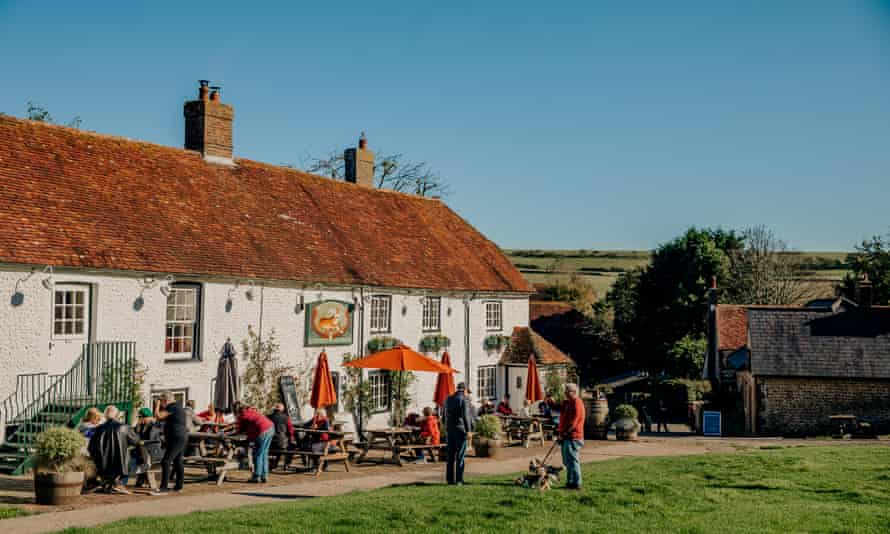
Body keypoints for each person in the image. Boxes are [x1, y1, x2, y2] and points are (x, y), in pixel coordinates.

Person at [88, 405, 142, 494]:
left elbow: (91, 447)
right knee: (135, 460)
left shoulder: (98, 429)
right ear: (117, 415)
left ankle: (108, 483)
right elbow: (136, 441)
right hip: (120, 464)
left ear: (105, 416)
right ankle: (120, 483)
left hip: (102, 464)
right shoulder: (124, 427)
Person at [153, 392, 188, 494]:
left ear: (165, 400)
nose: (162, 404)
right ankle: (179, 486)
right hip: (180, 437)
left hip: (176, 438)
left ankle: (164, 487)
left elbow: (158, 416)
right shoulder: (177, 407)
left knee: (166, 461)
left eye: (161, 401)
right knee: (178, 461)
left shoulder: (172, 407)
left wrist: (157, 405)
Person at [123, 407, 163, 488]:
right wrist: (136, 428)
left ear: (148, 417)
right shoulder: (139, 426)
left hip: (152, 453)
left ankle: (124, 482)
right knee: (128, 460)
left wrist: (142, 442)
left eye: (142, 417)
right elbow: (133, 438)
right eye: (139, 417)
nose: (141, 419)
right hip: (140, 453)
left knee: (132, 462)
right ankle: (124, 482)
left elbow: (153, 441)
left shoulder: (154, 427)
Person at [235, 403, 274, 483]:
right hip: (270, 427)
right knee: (264, 453)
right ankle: (264, 475)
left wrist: (230, 433)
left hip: (262, 431)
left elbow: (240, 430)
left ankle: (257, 476)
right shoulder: (252, 410)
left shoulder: (243, 416)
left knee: (258, 454)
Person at [557, 383, 585, 490]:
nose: (564, 393)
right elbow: (559, 408)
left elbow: (573, 422)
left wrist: (563, 434)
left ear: (573, 392)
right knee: (567, 462)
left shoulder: (577, 403)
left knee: (573, 461)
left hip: (573, 437)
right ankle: (570, 482)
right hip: (567, 436)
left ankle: (577, 483)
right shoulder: (569, 402)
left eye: (566, 391)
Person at [445, 382, 474, 485]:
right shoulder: (464, 399)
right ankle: (459, 480)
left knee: (450, 456)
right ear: (465, 390)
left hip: (450, 429)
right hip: (460, 430)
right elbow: (466, 415)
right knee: (460, 456)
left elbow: (445, 415)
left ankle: (449, 479)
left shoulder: (449, 399)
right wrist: (469, 430)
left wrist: (447, 427)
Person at [268, 403, 295, 470]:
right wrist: (291, 437)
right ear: (282, 409)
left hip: (270, 442)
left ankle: (274, 464)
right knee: (292, 447)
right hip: (282, 443)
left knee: (279, 449)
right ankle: (287, 464)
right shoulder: (286, 417)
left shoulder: (268, 417)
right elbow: (291, 429)